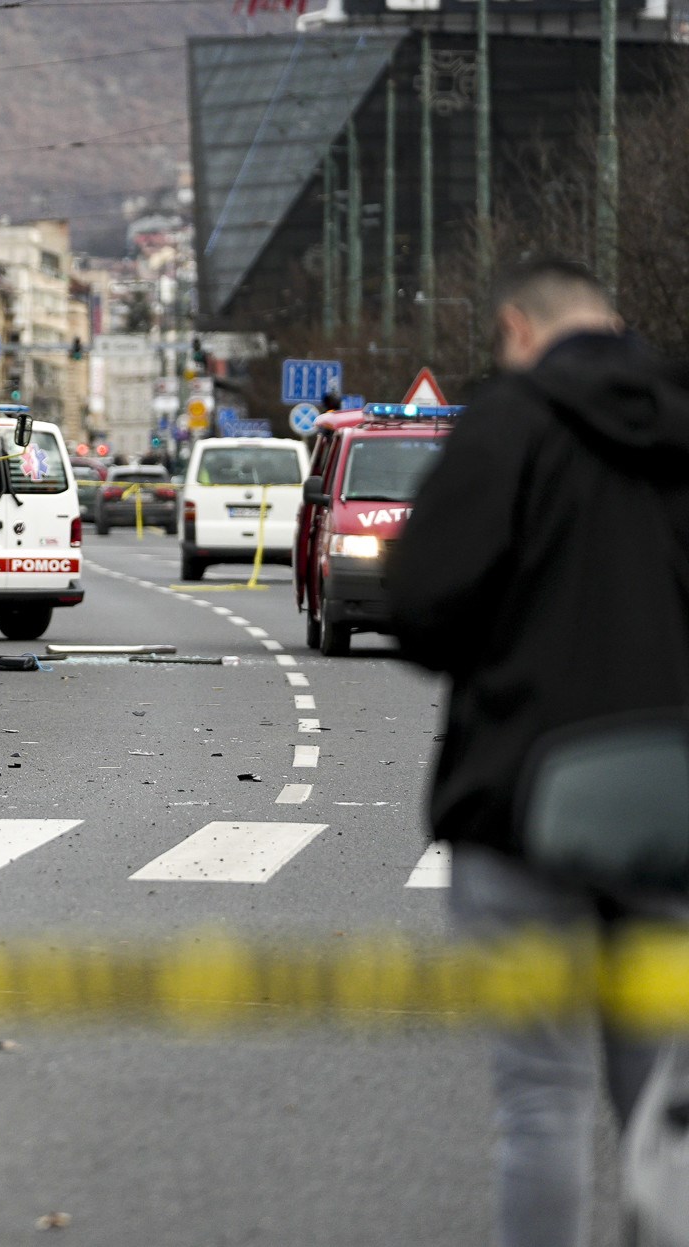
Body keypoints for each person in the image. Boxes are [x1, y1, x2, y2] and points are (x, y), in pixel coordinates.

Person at [388, 259, 689, 1247]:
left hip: (521, 801)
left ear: (518, 327)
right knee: (666, 1107)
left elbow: (419, 607)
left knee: (542, 1097)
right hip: (675, 803)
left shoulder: (505, 426)